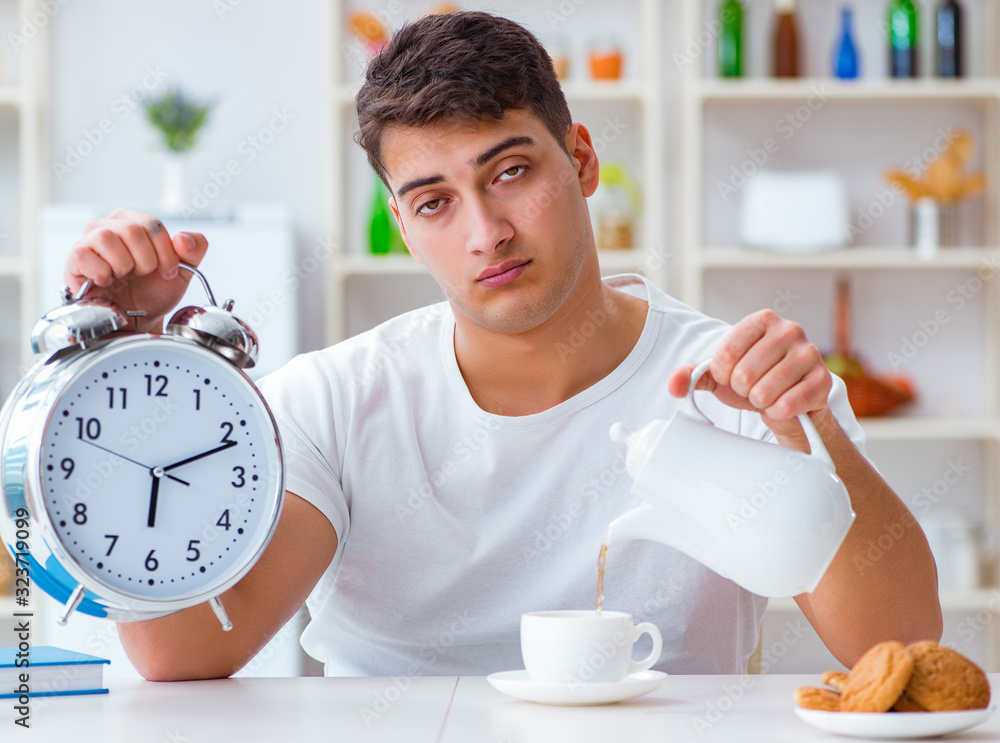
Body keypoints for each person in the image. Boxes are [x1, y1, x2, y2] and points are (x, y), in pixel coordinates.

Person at [63, 11, 941, 681]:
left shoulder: (731, 382)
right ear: (402, 226)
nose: (486, 232)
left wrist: (808, 430)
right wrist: (134, 367)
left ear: (582, 161)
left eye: (511, 171)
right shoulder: (337, 399)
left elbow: (898, 645)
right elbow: (181, 653)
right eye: (435, 200)